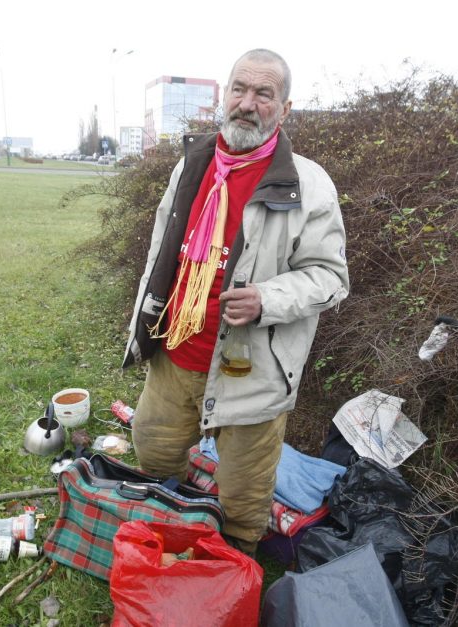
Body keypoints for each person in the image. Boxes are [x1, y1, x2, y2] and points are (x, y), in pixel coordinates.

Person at [122, 49, 350, 554]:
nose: (248, 103)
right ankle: (166, 535)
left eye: (263, 94)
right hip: (176, 349)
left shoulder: (308, 185)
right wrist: (142, 320)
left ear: (284, 109)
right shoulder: (192, 165)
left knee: (245, 496)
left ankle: (229, 565)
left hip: (253, 367)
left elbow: (331, 277)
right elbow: (162, 249)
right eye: (239, 90)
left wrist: (267, 299)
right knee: (155, 452)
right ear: (226, 95)